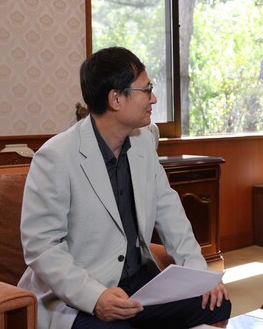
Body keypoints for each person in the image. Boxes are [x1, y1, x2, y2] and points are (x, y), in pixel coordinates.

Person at [18, 47, 231, 329]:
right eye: (147, 89)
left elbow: (170, 214)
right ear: (116, 99)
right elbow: (41, 248)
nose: (153, 98)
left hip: (137, 285)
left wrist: (199, 275)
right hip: (79, 294)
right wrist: (96, 298)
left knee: (215, 304)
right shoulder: (56, 156)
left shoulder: (142, 143)